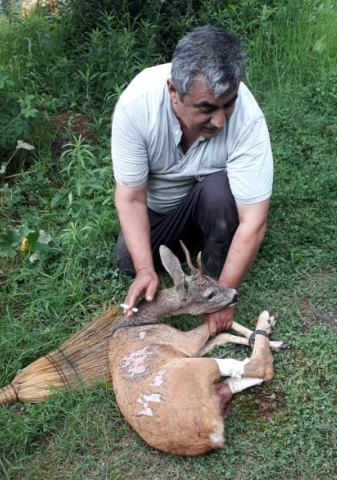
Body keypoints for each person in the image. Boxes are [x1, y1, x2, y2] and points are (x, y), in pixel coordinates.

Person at [111, 26, 273, 336]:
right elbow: (131, 198)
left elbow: (254, 220)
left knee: (217, 191)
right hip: (162, 210)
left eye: (229, 104)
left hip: (215, 203)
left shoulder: (249, 120)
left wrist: (222, 295)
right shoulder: (136, 107)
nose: (220, 120)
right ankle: (199, 242)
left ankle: (214, 263)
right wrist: (146, 269)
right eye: (206, 108)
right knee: (128, 258)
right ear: (174, 92)